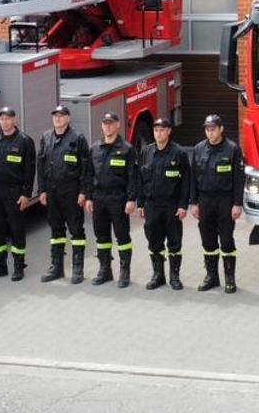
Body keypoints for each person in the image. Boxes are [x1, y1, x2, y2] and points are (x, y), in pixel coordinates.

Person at [0, 106, 36, 281]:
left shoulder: (24, 141)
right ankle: (0, 266)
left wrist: (26, 194)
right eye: (2, 119)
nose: (4, 121)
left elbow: (30, 170)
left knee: (17, 229)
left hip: (14, 191)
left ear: (14, 120)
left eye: (8, 118)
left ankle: (19, 266)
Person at [189, 114, 245, 293]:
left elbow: (239, 179)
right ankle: (211, 277)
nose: (210, 132)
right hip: (205, 200)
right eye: (207, 129)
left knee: (227, 240)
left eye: (213, 129)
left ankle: (230, 278)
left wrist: (237, 203)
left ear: (221, 129)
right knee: (208, 240)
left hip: (225, 201)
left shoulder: (232, 149)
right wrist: (194, 202)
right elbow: (193, 178)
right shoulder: (198, 149)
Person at [37, 105, 91, 283]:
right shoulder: (46, 137)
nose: (58, 118)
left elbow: (86, 168)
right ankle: (57, 267)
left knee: (76, 230)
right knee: (56, 230)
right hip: (52, 192)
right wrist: (42, 190)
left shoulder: (77, 139)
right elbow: (41, 166)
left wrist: (84, 192)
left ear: (68, 118)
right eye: (55, 115)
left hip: (71, 192)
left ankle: (77, 269)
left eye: (61, 115)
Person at [136, 118, 191, 290]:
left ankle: (174, 277)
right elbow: (140, 180)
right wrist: (141, 203)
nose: (159, 133)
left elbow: (186, 182)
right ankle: (158, 275)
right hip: (152, 205)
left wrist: (183, 205)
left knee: (174, 242)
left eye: (162, 130)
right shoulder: (146, 152)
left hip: (172, 206)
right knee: (154, 241)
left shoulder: (179, 153)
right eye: (156, 130)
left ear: (168, 132)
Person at [85, 112, 137, 287]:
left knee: (122, 236)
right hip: (99, 198)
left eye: (111, 123)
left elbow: (132, 176)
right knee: (101, 237)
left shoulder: (127, 149)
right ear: (102, 126)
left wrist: (131, 199)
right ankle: (105, 270)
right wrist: (89, 197)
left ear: (118, 125)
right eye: (105, 123)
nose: (107, 126)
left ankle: (124, 272)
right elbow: (88, 174)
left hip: (118, 198)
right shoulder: (95, 148)